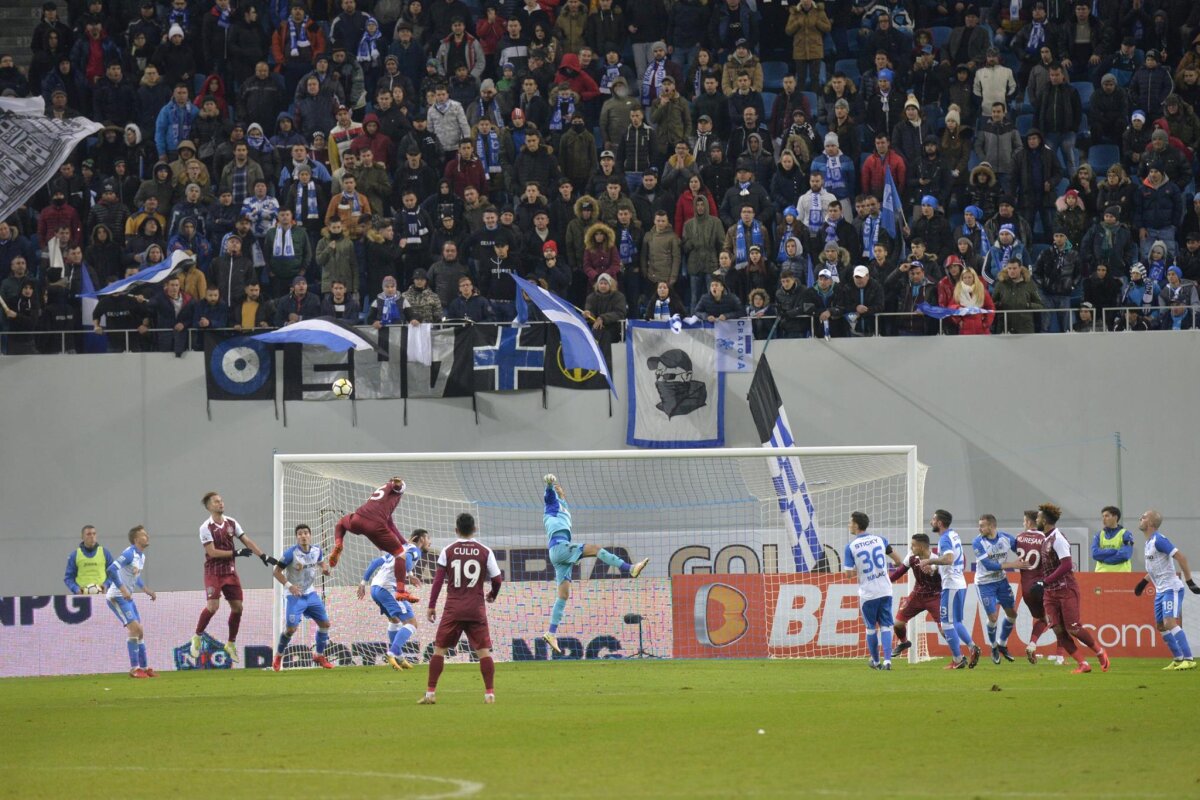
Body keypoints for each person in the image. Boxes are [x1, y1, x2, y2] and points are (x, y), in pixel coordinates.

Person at [540, 475, 649, 655]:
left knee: (563, 595)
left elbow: (561, 499)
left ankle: (551, 633)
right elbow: (548, 497)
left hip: (558, 552)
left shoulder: (563, 506)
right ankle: (630, 568)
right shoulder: (552, 505)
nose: (560, 490)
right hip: (559, 547)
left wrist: (561, 494)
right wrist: (550, 484)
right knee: (596, 549)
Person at [421, 512, 503, 704]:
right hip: (476, 608)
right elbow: (497, 579)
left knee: (439, 650)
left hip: (453, 608)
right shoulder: (485, 551)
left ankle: (430, 694)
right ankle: (489, 694)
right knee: (483, 651)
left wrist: (431, 605)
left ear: (456, 530)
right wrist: (492, 594)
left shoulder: (447, 551)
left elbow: (438, 581)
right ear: (475, 529)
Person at [191, 492, 272, 662]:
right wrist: (235, 553)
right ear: (209, 506)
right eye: (216, 501)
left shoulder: (231, 523)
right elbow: (212, 552)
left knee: (238, 608)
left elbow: (247, 541)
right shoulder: (205, 527)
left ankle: (230, 643)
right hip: (213, 572)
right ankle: (197, 636)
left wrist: (262, 555)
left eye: (221, 500)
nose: (220, 503)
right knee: (213, 607)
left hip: (230, 572)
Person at [1035, 502, 1110, 674]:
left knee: (1073, 628)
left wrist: (1045, 581)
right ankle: (1083, 664)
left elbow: (1067, 564)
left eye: (1038, 518)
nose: (1036, 520)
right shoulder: (1045, 539)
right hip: (1050, 593)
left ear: (1044, 520)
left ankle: (1100, 652)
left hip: (1066, 589)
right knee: (1057, 629)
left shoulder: (1058, 539)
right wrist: (1042, 582)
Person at [330, 478, 419, 602]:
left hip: (358, 518)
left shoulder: (381, 495)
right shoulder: (394, 489)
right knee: (400, 554)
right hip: (375, 525)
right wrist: (398, 483)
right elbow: (397, 485)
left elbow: (390, 524)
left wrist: (403, 541)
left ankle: (339, 544)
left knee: (341, 523)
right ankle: (400, 591)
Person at [1134, 510, 1200, 670]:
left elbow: (1181, 557)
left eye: (1144, 517)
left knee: (1169, 622)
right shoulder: (1149, 542)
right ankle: (1178, 659)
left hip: (1172, 588)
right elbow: (1156, 568)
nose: (1140, 518)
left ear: (1150, 523)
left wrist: (1189, 581)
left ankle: (1189, 659)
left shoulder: (1159, 540)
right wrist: (1143, 582)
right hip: (1161, 590)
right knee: (1161, 626)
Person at [360, 529, 432, 671]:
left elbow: (375, 562)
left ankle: (399, 657)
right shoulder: (415, 550)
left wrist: (363, 583)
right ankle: (391, 653)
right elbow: (407, 560)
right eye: (428, 539)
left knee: (394, 621)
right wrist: (409, 574)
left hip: (375, 587)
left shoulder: (398, 549)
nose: (429, 542)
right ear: (421, 539)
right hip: (388, 589)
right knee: (411, 623)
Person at [919, 509, 981, 669]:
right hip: (959, 583)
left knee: (946, 623)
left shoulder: (945, 538)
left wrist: (929, 561)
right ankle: (972, 647)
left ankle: (958, 659)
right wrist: (934, 567)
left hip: (951, 585)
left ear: (939, 523)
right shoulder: (954, 535)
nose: (931, 522)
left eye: (933, 519)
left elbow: (949, 559)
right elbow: (952, 560)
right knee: (956, 622)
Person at [842, 511, 902, 669]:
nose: (849, 525)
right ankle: (888, 661)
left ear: (856, 525)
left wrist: (862, 569)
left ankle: (875, 662)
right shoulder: (880, 540)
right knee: (886, 626)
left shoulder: (850, 547)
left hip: (868, 593)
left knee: (871, 628)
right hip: (885, 590)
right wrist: (884, 568)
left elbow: (848, 574)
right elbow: (898, 560)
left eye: (850, 522)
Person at [272, 524, 334, 671]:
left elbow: (320, 561)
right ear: (297, 537)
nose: (303, 536)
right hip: (294, 595)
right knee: (291, 629)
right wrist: (290, 586)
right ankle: (279, 655)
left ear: (310, 535)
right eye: (300, 534)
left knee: (325, 624)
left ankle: (319, 655)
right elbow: (276, 572)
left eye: (306, 533)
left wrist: (324, 568)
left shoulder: (317, 550)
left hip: (310, 593)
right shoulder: (290, 554)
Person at [105, 525, 158, 679]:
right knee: (135, 629)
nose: (147, 536)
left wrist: (146, 589)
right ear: (136, 539)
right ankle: (134, 669)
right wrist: (122, 590)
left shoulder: (141, 556)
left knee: (140, 631)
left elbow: (135, 575)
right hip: (117, 596)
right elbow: (111, 570)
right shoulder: (129, 554)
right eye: (144, 535)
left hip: (127, 597)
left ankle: (144, 668)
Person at [1005, 509, 1054, 664]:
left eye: (1024, 520)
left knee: (1042, 618)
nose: (1023, 523)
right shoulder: (1045, 537)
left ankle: (1033, 645)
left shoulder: (1019, 537)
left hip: (1026, 589)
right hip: (1041, 586)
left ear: (1028, 522)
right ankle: (1055, 653)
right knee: (1054, 618)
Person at [888, 533, 941, 659]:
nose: (911, 548)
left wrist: (934, 570)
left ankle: (958, 656)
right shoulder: (911, 556)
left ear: (921, 547)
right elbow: (899, 572)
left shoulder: (937, 560)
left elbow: (945, 578)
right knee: (898, 624)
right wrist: (887, 581)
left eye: (913, 545)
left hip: (934, 597)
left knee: (944, 629)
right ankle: (904, 642)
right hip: (917, 596)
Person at [973, 514, 1018, 664]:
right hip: (984, 583)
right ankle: (993, 647)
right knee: (993, 618)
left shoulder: (1006, 538)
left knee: (1012, 614)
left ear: (991, 526)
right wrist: (1013, 564)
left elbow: (1021, 550)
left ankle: (1002, 644)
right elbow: (989, 565)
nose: (979, 528)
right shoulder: (978, 542)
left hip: (1001, 582)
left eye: (982, 526)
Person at [64, 524, 115, 594]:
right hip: (82, 595)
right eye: (88, 534)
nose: (92, 536)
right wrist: (76, 589)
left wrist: (106, 585)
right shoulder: (75, 555)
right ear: (82, 537)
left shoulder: (105, 553)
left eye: (94, 534)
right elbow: (68, 578)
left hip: (102, 595)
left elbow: (113, 573)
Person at [1091, 506, 1135, 573]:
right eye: (1103, 516)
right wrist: (1113, 551)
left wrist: (1105, 560)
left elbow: (1125, 555)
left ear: (1115, 517)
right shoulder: (1099, 535)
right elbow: (1095, 554)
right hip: (1101, 574)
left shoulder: (1125, 534)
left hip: (1121, 574)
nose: (1103, 519)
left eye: (1107, 516)